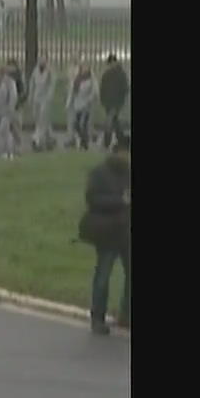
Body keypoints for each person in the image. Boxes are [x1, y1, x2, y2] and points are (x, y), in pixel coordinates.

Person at [79, 136, 130, 335]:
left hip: (126, 230)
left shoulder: (127, 173)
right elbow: (92, 199)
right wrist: (120, 201)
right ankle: (98, 317)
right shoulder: (99, 173)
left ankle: (126, 314)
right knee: (103, 275)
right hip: (108, 232)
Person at [99, 54, 129, 149]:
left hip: (115, 103)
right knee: (115, 122)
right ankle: (122, 140)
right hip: (109, 102)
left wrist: (120, 101)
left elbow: (125, 88)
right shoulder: (107, 74)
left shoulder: (121, 74)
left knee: (109, 122)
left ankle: (106, 142)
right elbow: (102, 88)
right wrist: (103, 99)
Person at [66, 64, 97, 150]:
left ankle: (84, 142)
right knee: (76, 124)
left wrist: (89, 99)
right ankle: (83, 140)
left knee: (83, 124)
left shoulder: (91, 79)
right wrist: (69, 102)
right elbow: (72, 92)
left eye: (86, 68)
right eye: (83, 68)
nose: (84, 69)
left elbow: (94, 91)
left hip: (86, 105)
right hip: (77, 104)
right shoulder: (77, 79)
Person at [0, 65, 20, 159]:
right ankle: (5, 151)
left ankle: (5, 152)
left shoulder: (9, 83)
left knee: (3, 131)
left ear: (2, 74)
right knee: (0, 132)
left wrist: (10, 111)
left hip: (7, 111)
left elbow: (13, 97)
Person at [28, 57, 55, 151]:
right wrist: (30, 96)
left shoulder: (49, 71)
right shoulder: (35, 70)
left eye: (43, 60)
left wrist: (49, 96)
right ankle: (50, 138)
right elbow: (32, 83)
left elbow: (52, 84)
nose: (41, 62)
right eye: (40, 60)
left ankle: (37, 139)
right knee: (37, 117)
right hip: (36, 97)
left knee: (42, 119)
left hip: (45, 98)